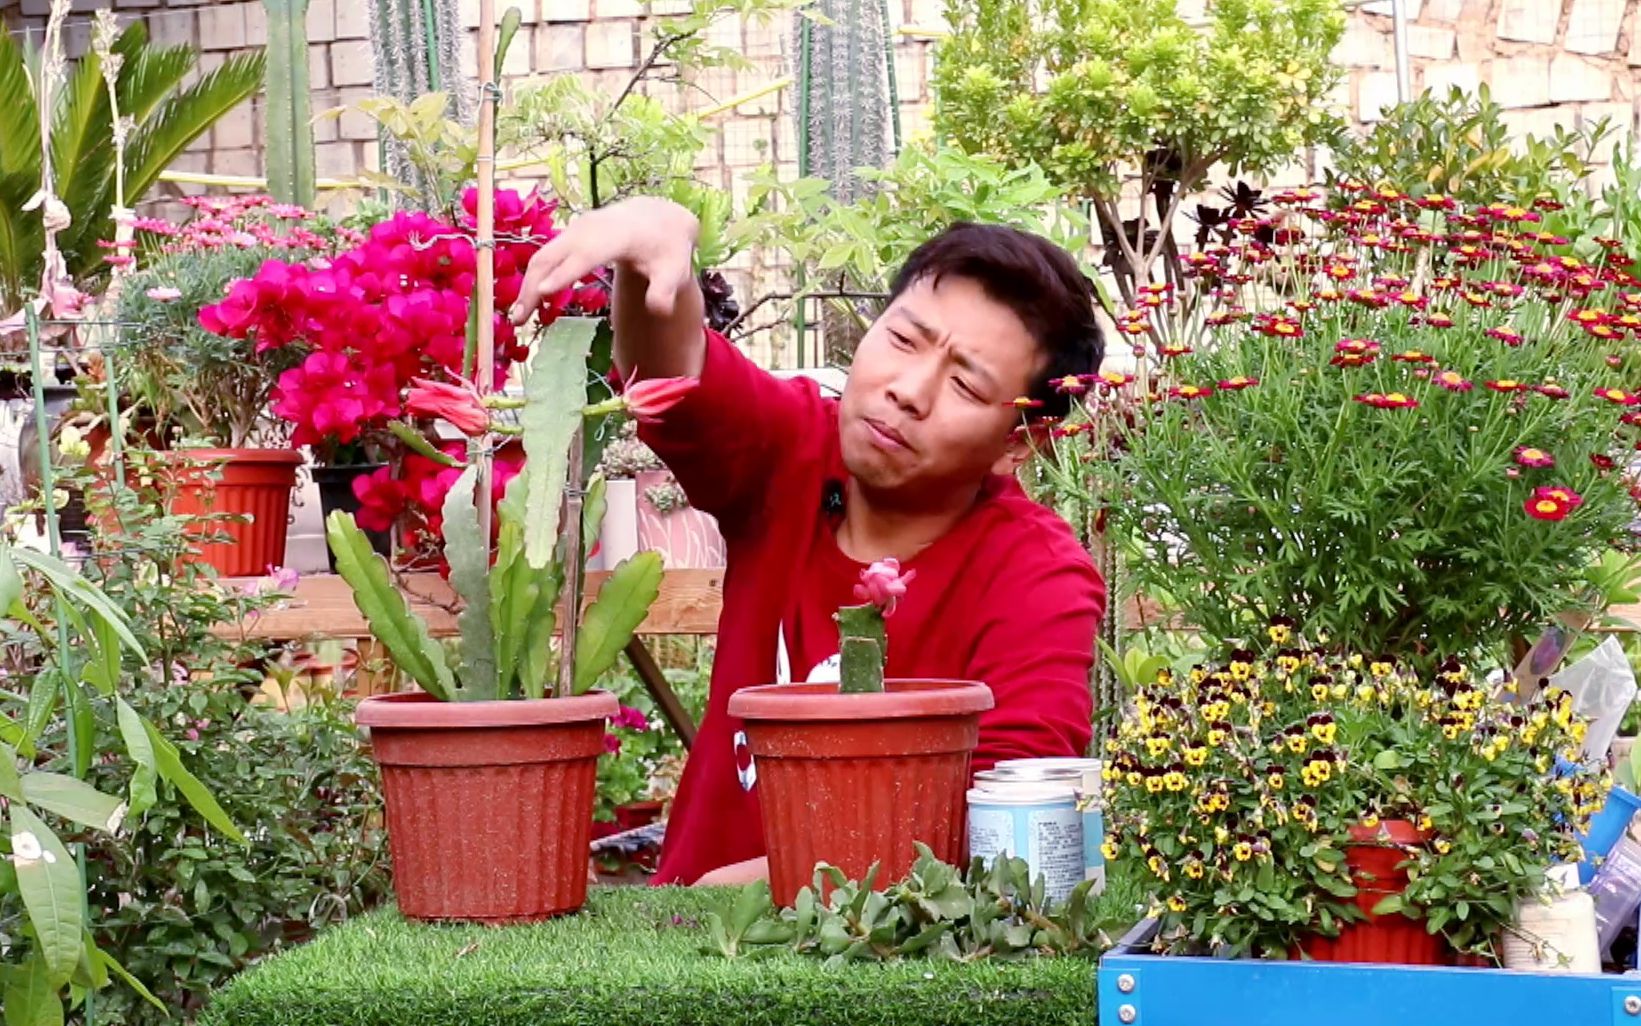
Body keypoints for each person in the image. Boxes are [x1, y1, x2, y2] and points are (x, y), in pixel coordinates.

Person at [511, 197, 1106, 886]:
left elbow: (1009, 819)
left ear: (1019, 443)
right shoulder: (793, 449)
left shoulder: (1037, 577)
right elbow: (679, 379)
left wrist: (768, 879)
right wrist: (654, 247)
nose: (908, 390)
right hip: (676, 953)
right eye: (904, 339)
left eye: (966, 385)